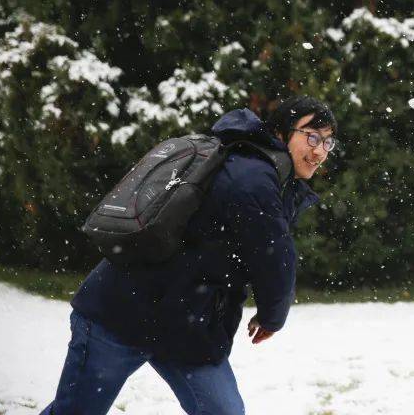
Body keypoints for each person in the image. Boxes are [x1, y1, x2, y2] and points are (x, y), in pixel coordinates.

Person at [42, 96, 336, 414]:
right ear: (280, 134)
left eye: (328, 141)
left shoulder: (255, 170)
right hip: (120, 315)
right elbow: (275, 259)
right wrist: (272, 316)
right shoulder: (252, 179)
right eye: (312, 136)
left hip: (184, 328)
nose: (320, 150)